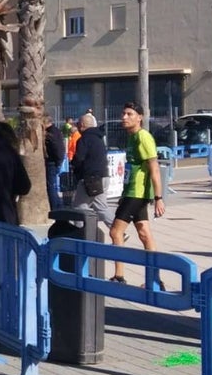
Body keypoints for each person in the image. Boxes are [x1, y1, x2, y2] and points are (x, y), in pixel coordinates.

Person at [108, 102, 165, 285]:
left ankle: (119, 276)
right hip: (131, 191)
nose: (124, 117)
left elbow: (154, 168)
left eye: (129, 114)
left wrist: (158, 198)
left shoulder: (143, 137)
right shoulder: (132, 138)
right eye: (123, 114)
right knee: (144, 233)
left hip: (137, 193)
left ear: (139, 117)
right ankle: (154, 279)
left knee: (115, 232)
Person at [70, 113, 114, 230]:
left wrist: (73, 165)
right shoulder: (99, 138)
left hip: (90, 178)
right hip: (104, 176)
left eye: (78, 124)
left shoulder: (84, 139)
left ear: (83, 125)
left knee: (79, 207)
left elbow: (79, 158)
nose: (78, 127)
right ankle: (118, 230)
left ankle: (81, 233)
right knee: (101, 207)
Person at [43, 115, 65, 211]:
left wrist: (57, 160)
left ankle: (55, 207)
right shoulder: (56, 131)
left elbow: (56, 148)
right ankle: (58, 205)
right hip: (55, 161)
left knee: (51, 185)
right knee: (53, 185)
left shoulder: (50, 133)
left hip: (52, 161)